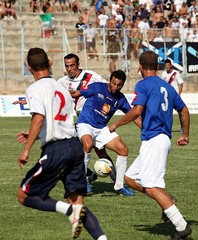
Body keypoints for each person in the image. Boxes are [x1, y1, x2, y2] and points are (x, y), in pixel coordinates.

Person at [16, 48, 107, 240]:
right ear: (49, 63)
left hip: (57, 149)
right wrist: (35, 132)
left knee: (24, 195)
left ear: (29, 67)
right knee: (78, 203)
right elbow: (56, 118)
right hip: (75, 148)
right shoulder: (62, 89)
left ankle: (67, 211)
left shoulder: (35, 88)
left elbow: (39, 118)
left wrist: (27, 149)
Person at [108, 51, 192, 240]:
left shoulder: (143, 84)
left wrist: (116, 124)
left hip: (154, 139)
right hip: (158, 139)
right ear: (157, 66)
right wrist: (184, 134)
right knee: (129, 178)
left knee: (152, 186)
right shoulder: (167, 87)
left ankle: (181, 225)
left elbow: (137, 109)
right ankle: (167, 202)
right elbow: (184, 110)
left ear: (140, 66)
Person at [75, 70, 141, 196]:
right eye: (114, 83)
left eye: (119, 85)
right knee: (88, 145)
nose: (116, 87)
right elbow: (77, 93)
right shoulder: (97, 87)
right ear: (110, 80)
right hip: (85, 124)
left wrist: (145, 130)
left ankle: (119, 186)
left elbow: (133, 115)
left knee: (123, 150)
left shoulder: (120, 99)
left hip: (101, 129)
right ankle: (82, 182)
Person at [58, 53, 117, 193]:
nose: (69, 69)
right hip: (81, 120)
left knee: (99, 152)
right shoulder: (62, 82)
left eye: (72, 65)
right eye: (67, 66)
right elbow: (49, 93)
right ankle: (89, 175)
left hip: (94, 119)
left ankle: (118, 184)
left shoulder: (90, 76)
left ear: (78, 65)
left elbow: (106, 87)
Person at [162, 59, 184, 132]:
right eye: (166, 65)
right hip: (167, 96)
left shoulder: (176, 73)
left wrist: (179, 94)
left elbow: (180, 83)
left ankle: (182, 127)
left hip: (175, 96)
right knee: (167, 113)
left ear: (171, 65)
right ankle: (167, 127)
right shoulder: (163, 74)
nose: (167, 66)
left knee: (180, 112)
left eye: (168, 65)